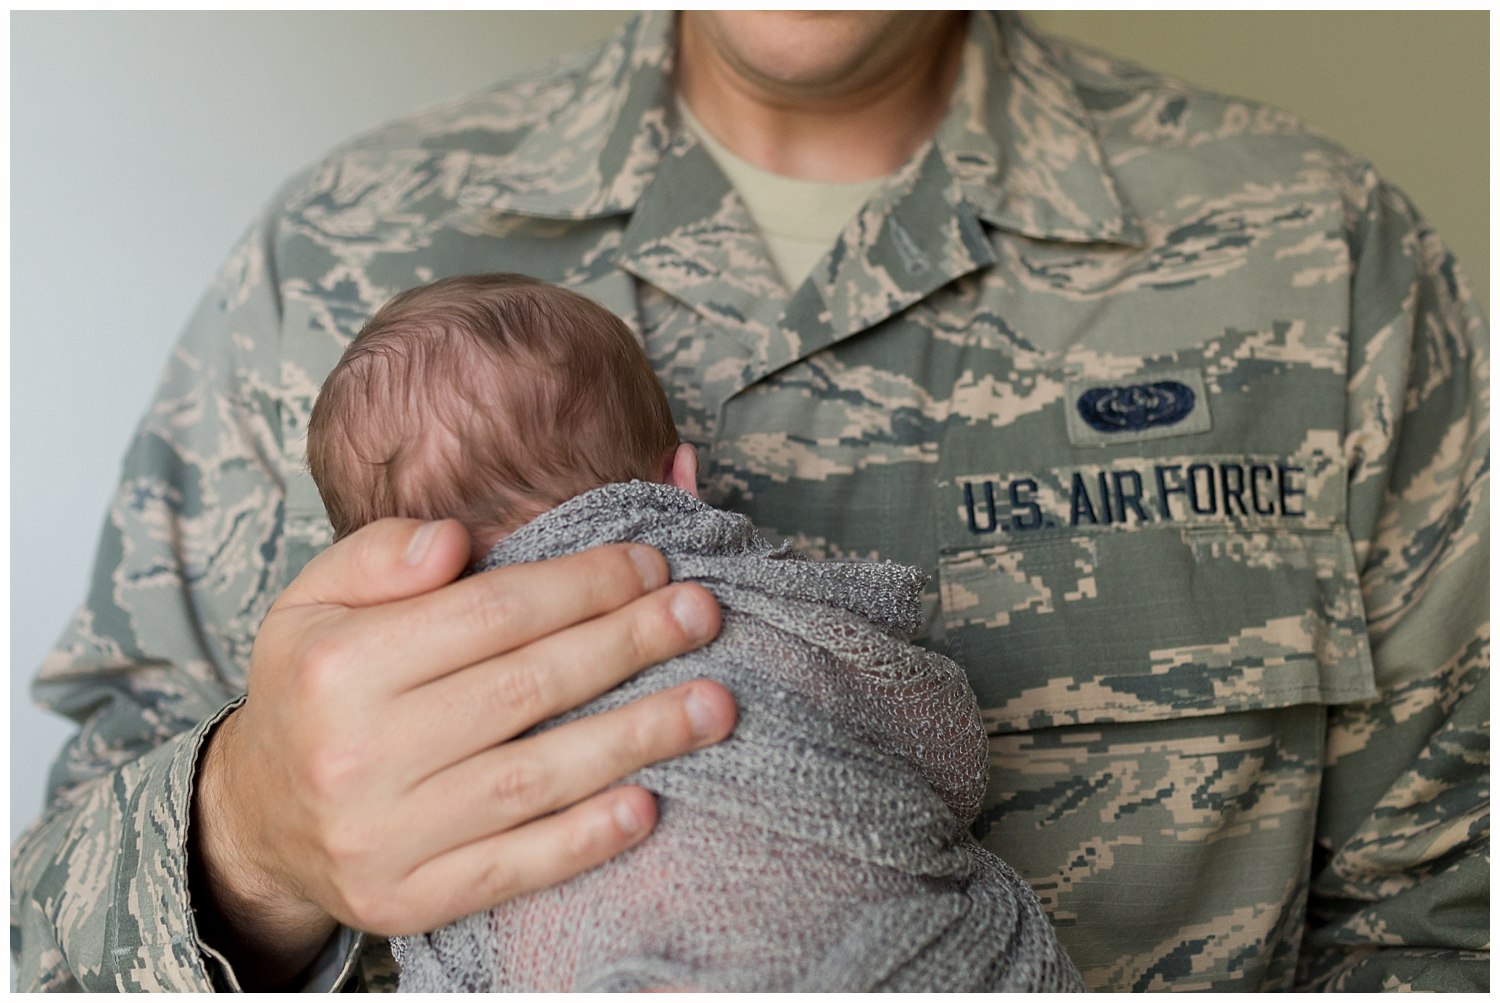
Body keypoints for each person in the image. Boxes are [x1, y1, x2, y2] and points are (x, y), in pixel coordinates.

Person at [11, 11, 1487, 993]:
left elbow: (1454, 915)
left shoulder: (1322, 256)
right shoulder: (325, 255)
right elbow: (44, 929)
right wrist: (253, 837)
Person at [303, 271, 1081, 991]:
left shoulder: (409, 726)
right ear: (680, 480)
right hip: (867, 957)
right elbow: (944, 745)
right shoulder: (762, 601)